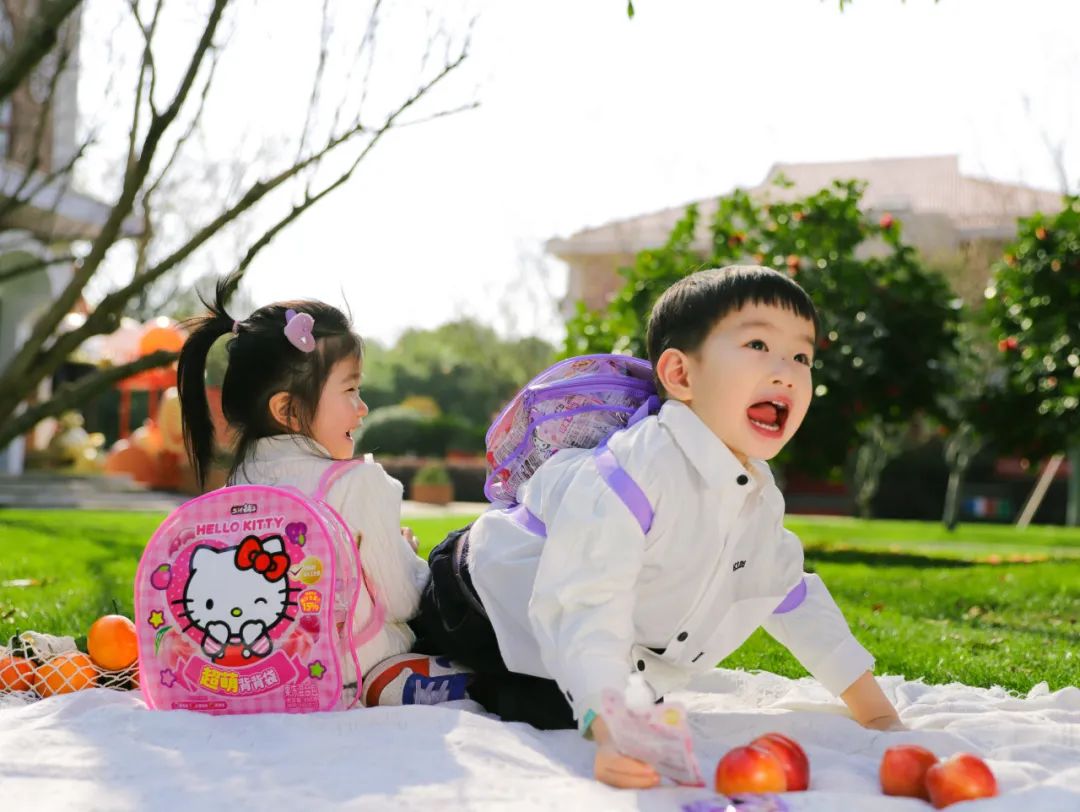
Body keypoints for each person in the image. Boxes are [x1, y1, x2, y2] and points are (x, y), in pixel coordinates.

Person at [410, 265, 900, 787]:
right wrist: (611, 735)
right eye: (759, 344)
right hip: (477, 597)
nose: (786, 371)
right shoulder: (636, 473)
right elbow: (586, 600)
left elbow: (789, 594)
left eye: (801, 356)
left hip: (570, 623)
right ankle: (432, 667)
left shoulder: (756, 492)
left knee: (633, 700)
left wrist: (876, 712)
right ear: (681, 375)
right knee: (563, 704)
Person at [177, 274, 468, 706]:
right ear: (288, 409)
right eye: (351, 389)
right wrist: (403, 554)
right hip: (351, 668)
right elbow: (405, 601)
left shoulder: (234, 490)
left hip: (259, 673)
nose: (363, 407)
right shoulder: (358, 483)